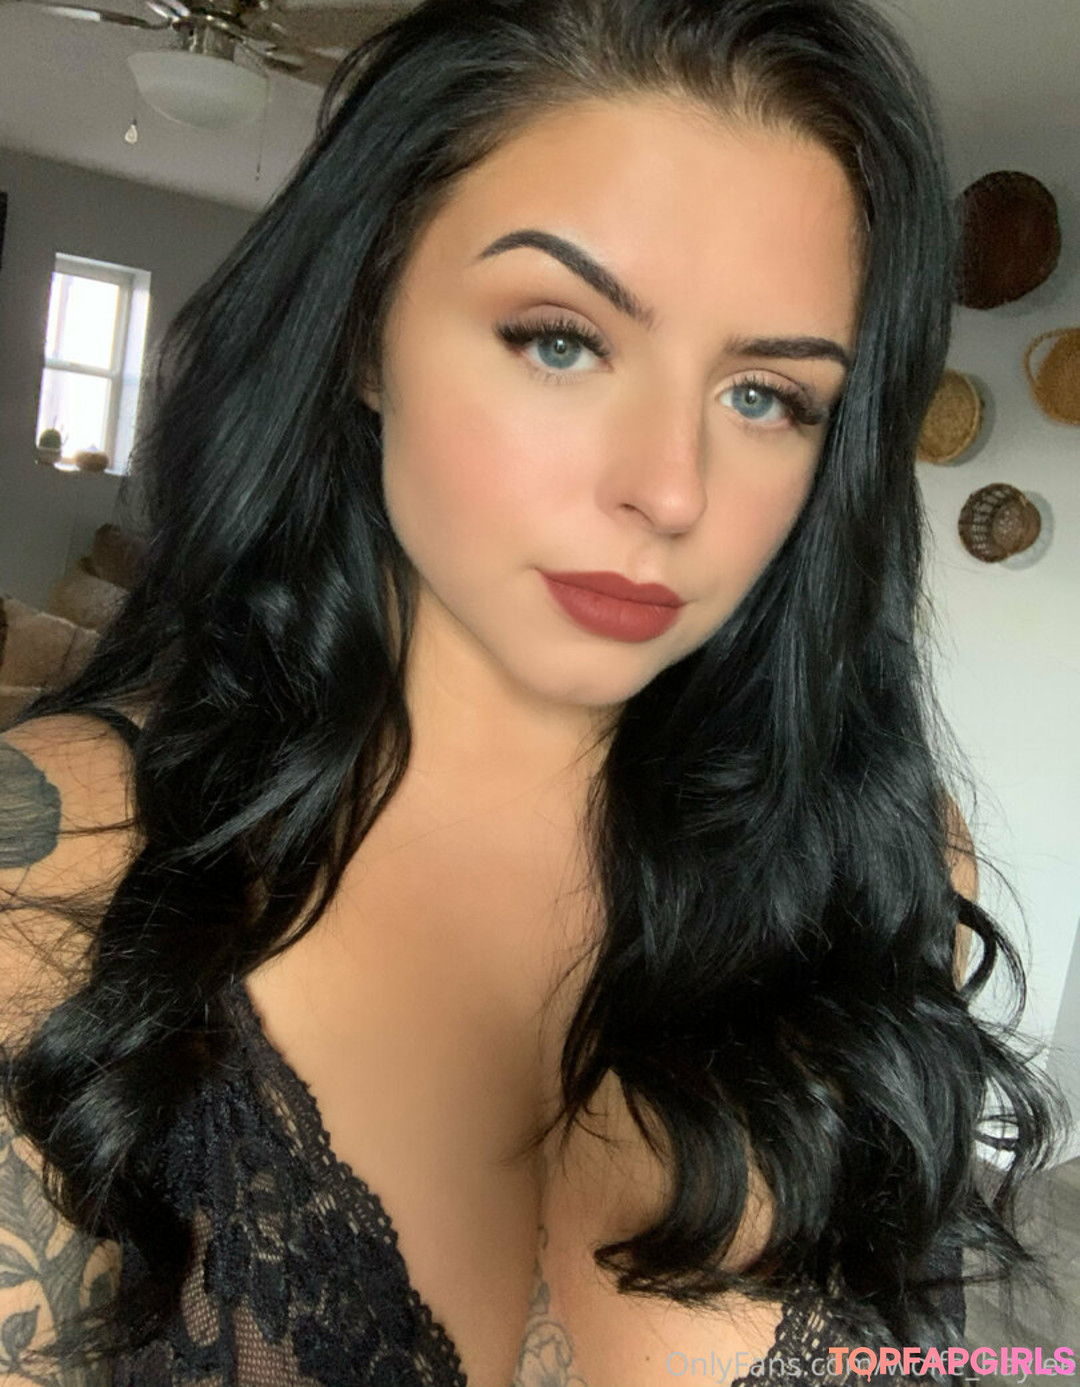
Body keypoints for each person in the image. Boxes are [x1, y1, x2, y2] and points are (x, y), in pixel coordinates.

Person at [0, 0, 1066, 1383]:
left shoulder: (877, 867)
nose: (671, 489)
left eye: (767, 396)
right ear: (365, 332)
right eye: (561, 339)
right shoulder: (53, 864)